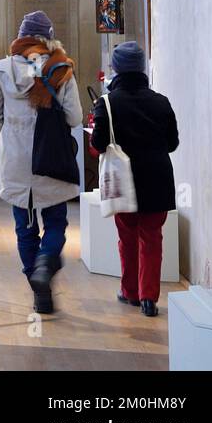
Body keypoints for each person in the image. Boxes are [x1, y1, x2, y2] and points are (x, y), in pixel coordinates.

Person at [0, 10, 82, 314]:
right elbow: (75, 117)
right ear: (49, 39)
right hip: (50, 159)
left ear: (20, 36)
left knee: (24, 228)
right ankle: (45, 263)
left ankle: (39, 291)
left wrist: (14, 128)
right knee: (55, 222)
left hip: (14, 161)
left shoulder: (2, 69)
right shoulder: (61, 69)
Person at [90, 41, 179, 317]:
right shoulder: (161, 102)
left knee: (126, 237)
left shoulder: (106, 103)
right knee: (152, 238)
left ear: (116, 69)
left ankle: (129, 291)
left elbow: (99, 142)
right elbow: (172, 143)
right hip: (157, 179)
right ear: (141, 68)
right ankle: (149, 298)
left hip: (123, 181)